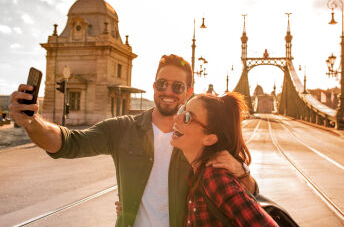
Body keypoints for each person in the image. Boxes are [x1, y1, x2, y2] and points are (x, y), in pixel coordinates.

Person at [9, 54, 257, 227]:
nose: (168, 91)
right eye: (162, 83)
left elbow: (246, 198)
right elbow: (68, 142)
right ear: (153, 86)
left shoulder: (199, 140)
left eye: (177, 86)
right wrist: (32, 121)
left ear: (189, 91)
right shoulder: (123, 128)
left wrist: (242, 171)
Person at [171, 92, 278, 226]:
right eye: (182, 110)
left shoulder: (214, 178)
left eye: (187, 117)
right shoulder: (196, 173)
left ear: (209, 138)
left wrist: (243, 173)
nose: (176, 118)